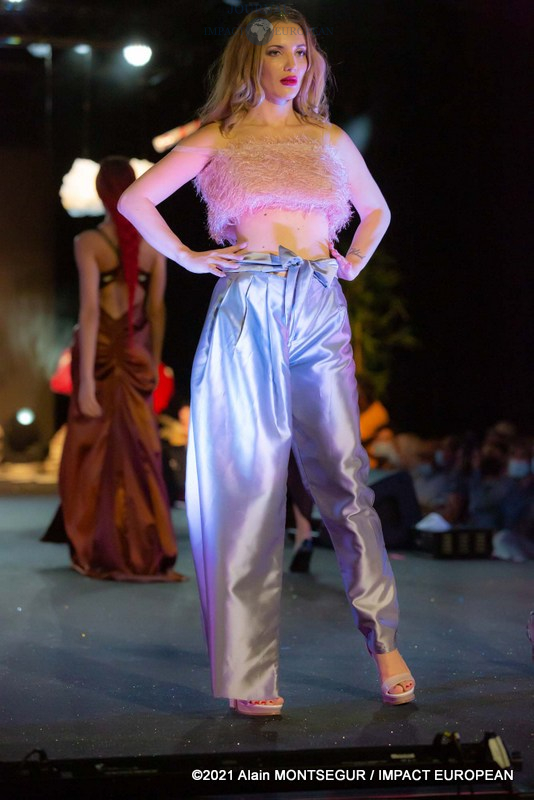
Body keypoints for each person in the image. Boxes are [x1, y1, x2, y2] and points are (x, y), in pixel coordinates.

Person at [119, 6, 414, 713]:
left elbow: (376, 210)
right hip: (248, 302)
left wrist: (351, 264)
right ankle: (251, 675)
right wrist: (190, 257)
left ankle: (384, 642)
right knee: (249, 485)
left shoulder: (328, 138)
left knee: (344, 474)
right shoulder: (219, 136)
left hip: (318, 302)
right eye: (277, 51)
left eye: (302, 52)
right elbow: (136, 200)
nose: (291, 64)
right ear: (249, 59)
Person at [44, 156, 184, 583]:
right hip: (136, 357)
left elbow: (90, 312)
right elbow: (156, 310)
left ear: (101, 193)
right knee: (141, 454)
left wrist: (85, 380)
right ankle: (145, 549)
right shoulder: (153, 242)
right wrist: (153, 362)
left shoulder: (89, 242)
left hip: (103, 357)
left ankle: (98, 546)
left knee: (91, 455)